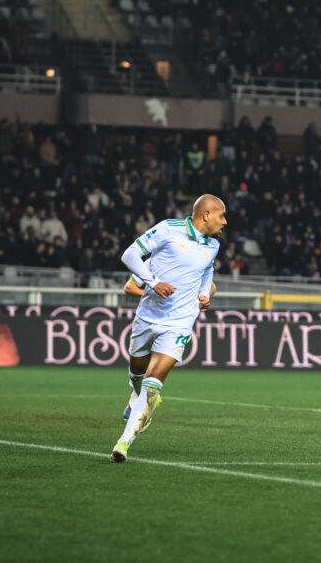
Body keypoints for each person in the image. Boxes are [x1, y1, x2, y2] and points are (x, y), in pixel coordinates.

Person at [111, 194, 226, 462]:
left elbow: (207, 271)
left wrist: (203, 294)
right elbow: (129, 255)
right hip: (148, 316)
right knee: (138, 373)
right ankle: (135, 395)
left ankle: (123, 442)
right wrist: (152, 282)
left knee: (152, 386)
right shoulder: (168, 229)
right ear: (206, 215)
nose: (225, 221)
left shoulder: (213, 246)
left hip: (180, 321)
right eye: (221, 215)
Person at [121, 272, 217, 427]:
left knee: (156, 368)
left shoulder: (190, 263)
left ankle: (140, 406)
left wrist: (200, 299)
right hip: (148, 318)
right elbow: (129, 287)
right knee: (138, 365)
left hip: (175, 323)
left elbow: (211, 287)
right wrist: (155, 295)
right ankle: (136, 395)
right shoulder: (150, 263)